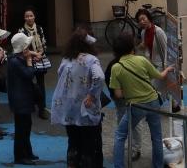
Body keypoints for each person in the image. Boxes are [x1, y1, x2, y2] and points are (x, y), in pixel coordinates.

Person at [108, 31, 175, 168]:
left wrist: (130, 88)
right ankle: (158, 165)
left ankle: (119, 166)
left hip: (136, 106)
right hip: (153, 101)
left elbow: (118, 95)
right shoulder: (142, 60)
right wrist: (167, 70)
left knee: (120, 135)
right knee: (156, 137)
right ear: (131, 46)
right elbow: (159, 76)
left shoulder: (116, 68)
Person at [51, 28, 106, 168]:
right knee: (89, 143)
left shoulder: (66, 59)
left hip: (69, 108)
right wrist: (92, 94)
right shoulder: (91, 60)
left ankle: (73, 164)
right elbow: (99, 77)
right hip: (85, 108)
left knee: (73, 141)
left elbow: (60, 75)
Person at [6, 32, 41, 165]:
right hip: (21, 99)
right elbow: (29, 74)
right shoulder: (16, 62)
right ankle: (20, 156)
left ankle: (27, 152)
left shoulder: (14, 58)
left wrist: (31, 56)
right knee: (22, 129)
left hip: (20, 98)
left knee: (26, 126)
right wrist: (30, 61)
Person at [18, 8, 52, 120]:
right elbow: (22, 47)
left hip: (40, 58)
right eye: (26, 16)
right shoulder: (21, 30)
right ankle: (30, 103)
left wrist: (40, 54)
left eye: (31, 16)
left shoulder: (39, 28)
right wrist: (34, 55)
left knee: (41, 84)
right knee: (28, 83)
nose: (29, 18)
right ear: (24, 18)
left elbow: (44, 43)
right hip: (27, 59)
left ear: (34, 17)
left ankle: (42, 108)